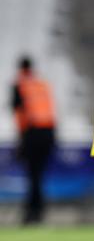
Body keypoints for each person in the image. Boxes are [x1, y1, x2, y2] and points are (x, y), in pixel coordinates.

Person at [12, 57, 56, 225]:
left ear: (21, 69)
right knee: (38, 174)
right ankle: (37, 209)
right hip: (48, 133)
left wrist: (21, 141)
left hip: (31, 134)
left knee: (33, 174)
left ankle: (32, 213)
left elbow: (19, 115)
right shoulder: (41, 85)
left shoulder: (19, 86)